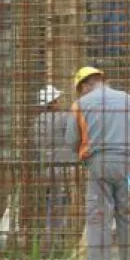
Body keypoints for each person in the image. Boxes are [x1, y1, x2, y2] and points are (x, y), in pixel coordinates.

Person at [65, 66, 130, 260]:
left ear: (85, 85)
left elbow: (71, 140)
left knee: (99, 217)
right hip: (127, 163)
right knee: (129, 217)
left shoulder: (81, 105)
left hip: (99, 163)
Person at [32, 84, 74, 249]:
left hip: (48, 169)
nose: (59, 102)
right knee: (64, 201)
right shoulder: (64, 117)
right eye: (57, 100)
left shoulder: (38, 122)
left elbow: (38, 145)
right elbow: (74, 136)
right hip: (65, 167)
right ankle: (61, 238)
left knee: (52, 201)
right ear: (52, 102)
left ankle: (50, 235)